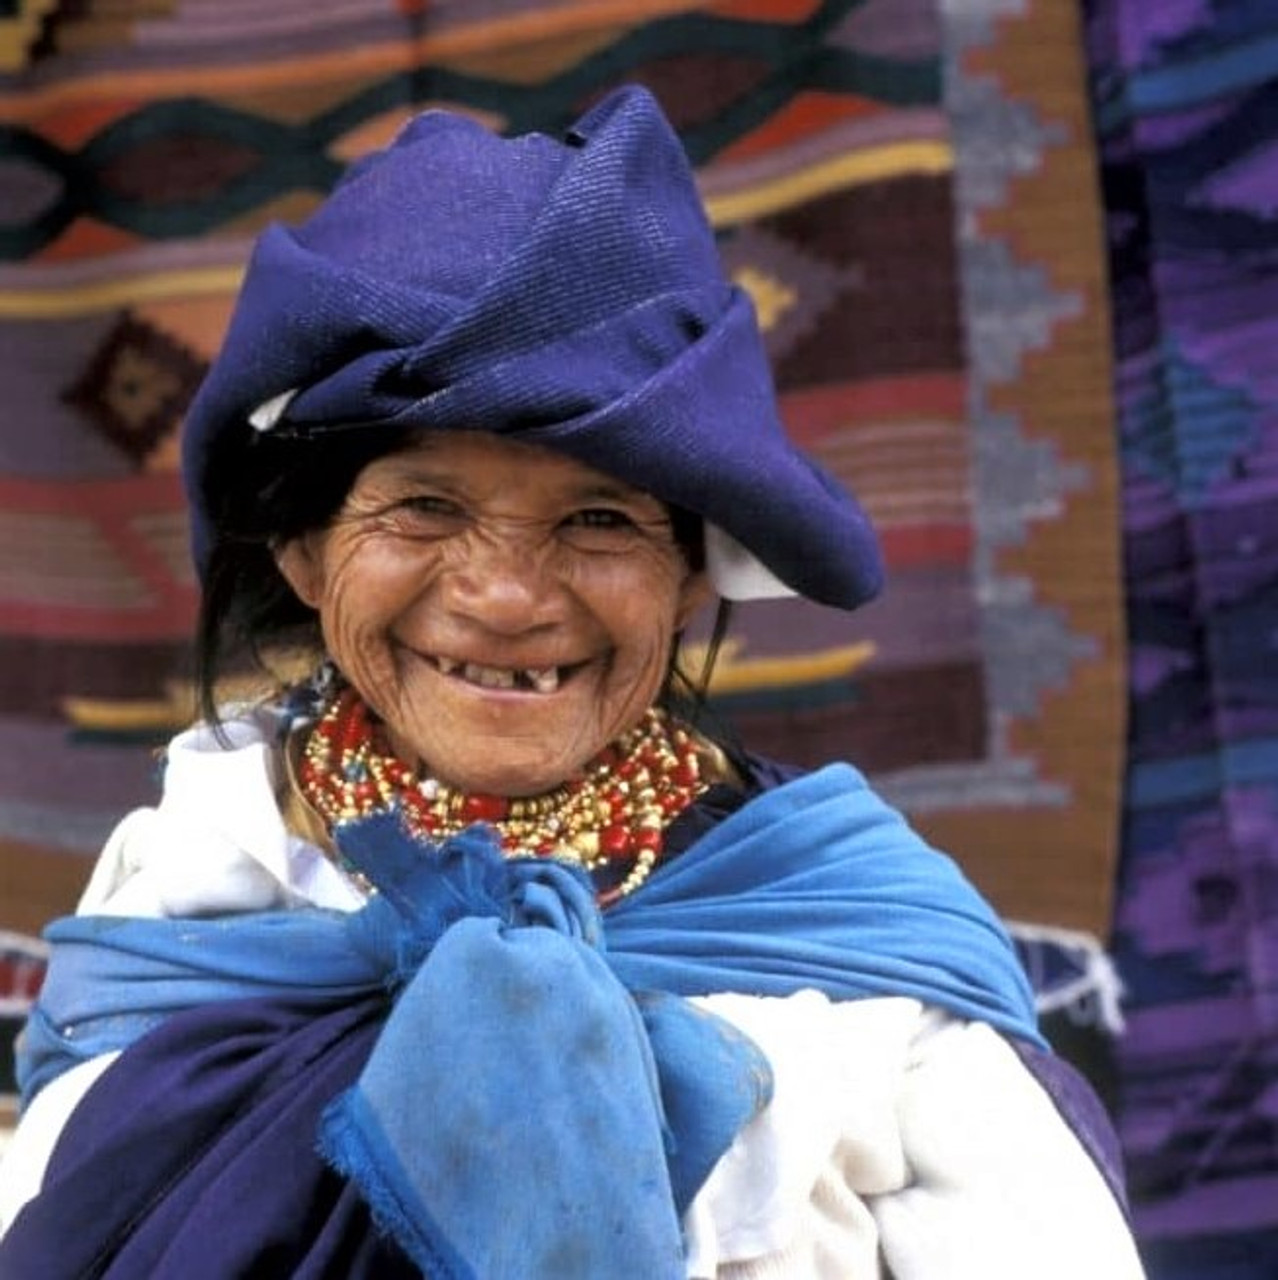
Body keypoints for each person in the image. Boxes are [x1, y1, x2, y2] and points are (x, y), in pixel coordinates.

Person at [0, 86, 1144, 1278]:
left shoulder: (868, 952)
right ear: (299, 548)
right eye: (425, 506)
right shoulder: (188, 892)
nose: (505, 595)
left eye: (598, 519)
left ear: (691, 573)